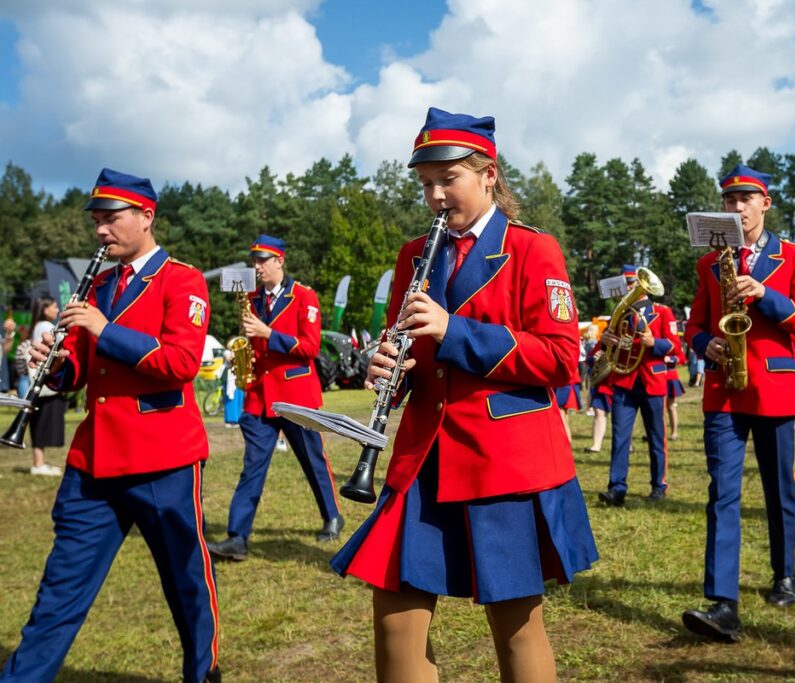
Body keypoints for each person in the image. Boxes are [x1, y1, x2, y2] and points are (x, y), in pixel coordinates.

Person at [330, 107, 597, 683]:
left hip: (503, 462)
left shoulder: (532, 249)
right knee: (394, 615)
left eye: (448, 179)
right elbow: (411, 350)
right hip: (424, 456)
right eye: (425, 183)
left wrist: (455, 332)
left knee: (515, 627)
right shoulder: (413, 254)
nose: (434, 195)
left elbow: (558, 357)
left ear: (488, 176)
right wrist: (389, 372)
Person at [1, 168, 220, 682]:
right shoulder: (96, 284)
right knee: (60, 587)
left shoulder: (181, 279)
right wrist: (52, 364)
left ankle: (203, 672)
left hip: (162, 460)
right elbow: (79, 366)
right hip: (94, 462)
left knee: (185, 582)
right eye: (97, 221)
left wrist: (104, 328)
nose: (100, 231)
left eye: (110, 219)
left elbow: (181, 363)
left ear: (146, 216)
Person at [681, 165, 795, 642]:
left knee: (778, 488)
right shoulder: (709, 263)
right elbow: (694, 326)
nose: (737, 207)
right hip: (724, 388)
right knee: (721, 492)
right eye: (729, 200)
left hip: (776, 388)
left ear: (766, 203)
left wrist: (766, 295)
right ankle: (723, 601)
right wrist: (706, 345)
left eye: (746, 198)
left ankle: (784, 573)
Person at [207, 235, 342, 561]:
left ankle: (333, 517)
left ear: (279, 261)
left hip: (296, 394)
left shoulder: (304, 296)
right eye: (254, 261)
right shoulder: (251, 298)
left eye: (263, 260)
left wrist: (268, 334)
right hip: (258, 397)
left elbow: (310, 347)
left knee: (312, 461)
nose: (257, 266)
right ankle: (237, 537)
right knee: (252, 467)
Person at [597, 265, 681, 506]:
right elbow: (605, 349)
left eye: (633, 283)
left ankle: (658, 485)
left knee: (656, 436)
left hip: (652, 379)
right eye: (628, 284)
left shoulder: (663, 312)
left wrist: (655, 342)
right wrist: (604, 341)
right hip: (624, 381)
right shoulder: (619, 312)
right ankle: (617, 488)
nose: (630, 288)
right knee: (620, 437)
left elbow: (676, 346)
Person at [25, 297, 66, 476]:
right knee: (41, 423)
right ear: (45, 309)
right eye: (54, 306)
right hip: (45, 386)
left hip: (40, 386)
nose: (57, 308)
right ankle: (38, 464)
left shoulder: (38, 326)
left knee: (39, 422)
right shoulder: (44, 326)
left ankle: (39, 462)